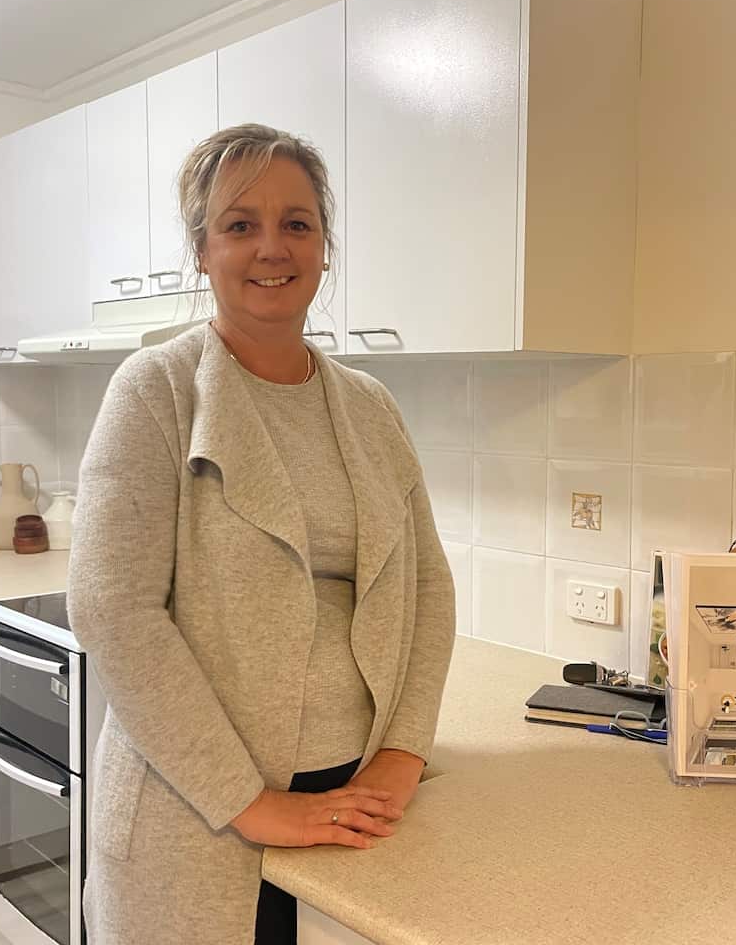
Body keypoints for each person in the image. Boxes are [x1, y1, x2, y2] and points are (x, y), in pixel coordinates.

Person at [67, 123, 456, 944]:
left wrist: (404, 753)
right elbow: (112, 610)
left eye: (297, 223)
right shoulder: (155, 392)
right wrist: (250, 802)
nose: (271, 247)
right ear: (202, 251)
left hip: (354, 801)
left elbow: (429, 587)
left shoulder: (370, 407)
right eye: (240, 224)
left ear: (325, 247)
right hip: (198, 814)